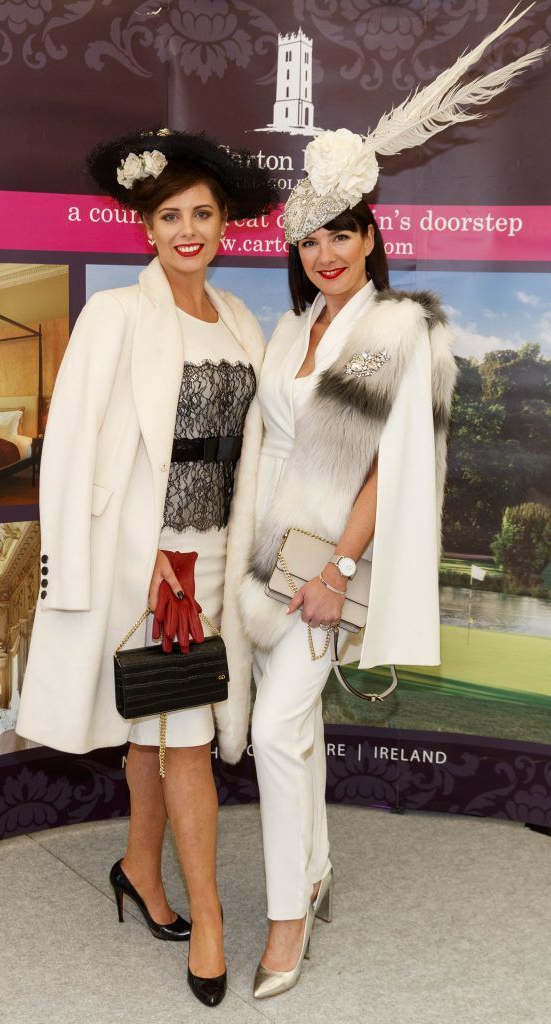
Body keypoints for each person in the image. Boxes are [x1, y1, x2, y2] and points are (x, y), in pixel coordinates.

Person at [239, 6, 544, 999]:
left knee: (280, 728)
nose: (326, 254)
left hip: (327, 564)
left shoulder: (400, 332)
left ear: (371, 240)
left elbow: (387, 473)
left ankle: (286, 920)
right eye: (311, 241)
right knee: (291, 726)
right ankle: (317, 863)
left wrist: (336, 569)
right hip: (258, 556)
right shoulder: (287, 335)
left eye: (343, 237)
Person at [16, 128, 277, 1007]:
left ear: (226, 224)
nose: (188, 230)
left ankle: (137, 864)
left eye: (203, 214)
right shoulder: (116, 314)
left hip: (216, 555)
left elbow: (253, 451)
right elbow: (72, 449)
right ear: (146, 227)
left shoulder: (240, 320)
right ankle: (209, 919)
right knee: (186, 742)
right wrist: (95, 568)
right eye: (171, 216)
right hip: (145, 560)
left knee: (156, 730)